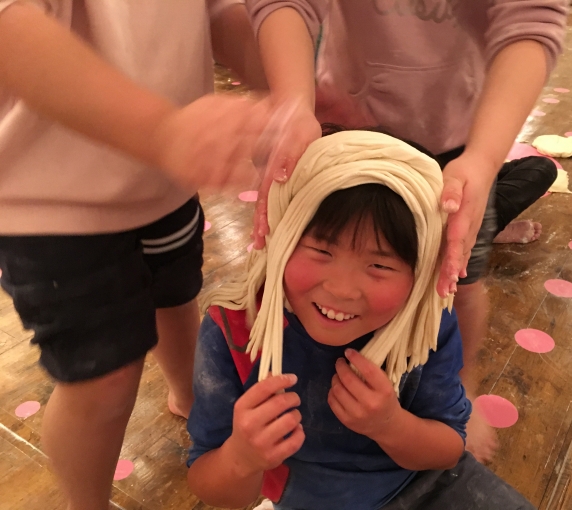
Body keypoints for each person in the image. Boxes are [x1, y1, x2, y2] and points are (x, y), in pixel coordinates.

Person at [244, 0, 567, 461]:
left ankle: (460, 385)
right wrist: (292, 104)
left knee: (458, 283)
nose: (343, 287)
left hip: (461, 145)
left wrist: (483, 159)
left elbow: (531, 22)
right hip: (345, 135)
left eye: (375, 265)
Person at [0, 2, 273, 509]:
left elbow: (218, 12)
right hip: (50, 200)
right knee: (100, 382)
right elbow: (11, 30)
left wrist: (291, 91)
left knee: (177, 295)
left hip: (166, 178)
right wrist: (163, 131)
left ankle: (190, 399)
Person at [186, 130, 535, 510]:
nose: (342, 290)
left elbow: (449, 449)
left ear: (421, 273)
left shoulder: (424, 320)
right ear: (280, 237)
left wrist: (390, 425)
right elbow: (212, 486)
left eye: (379, 265)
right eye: (321, 251)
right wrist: (242, 457)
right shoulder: (236, 328)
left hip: (426, 480)